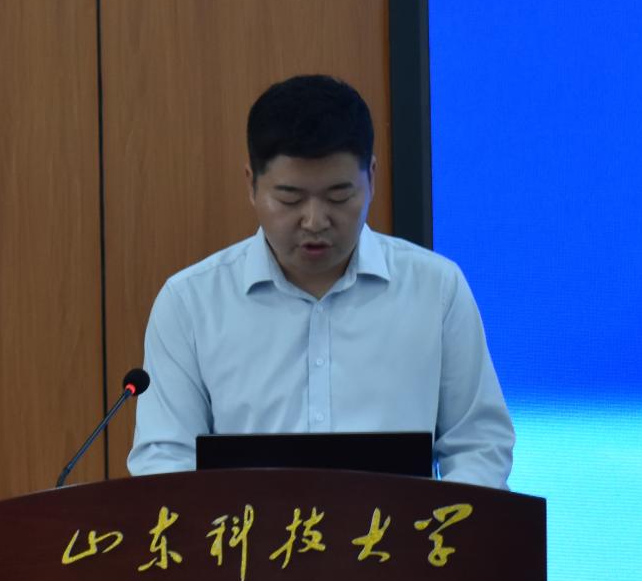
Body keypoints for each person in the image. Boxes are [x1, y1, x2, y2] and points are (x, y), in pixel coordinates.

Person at [127, 74, 514, 491]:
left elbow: (479, 444)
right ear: (251, 184)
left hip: (400, 533)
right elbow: (165, 458)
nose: (314, 221)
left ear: (371, 178)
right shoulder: (190, 303)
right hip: (243, 535)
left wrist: (447, 523)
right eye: (290, 199)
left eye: (338, 197)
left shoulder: (436, 289)